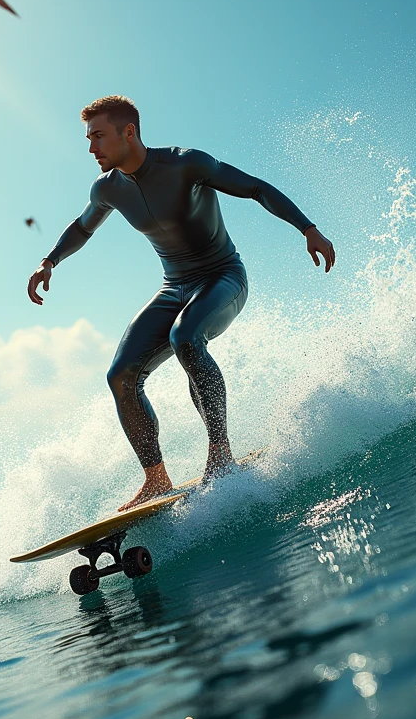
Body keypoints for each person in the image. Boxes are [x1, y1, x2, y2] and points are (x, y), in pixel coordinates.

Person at [28, 96, 335, 510]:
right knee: (120, 375)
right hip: (175, 287)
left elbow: (256, 188)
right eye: (89, 139)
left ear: (128, 132)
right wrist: (49, 262)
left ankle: (221, 455)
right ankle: (156, 479)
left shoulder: (185, 164)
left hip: (223, 277)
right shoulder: (108, 188)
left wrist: (308, 228)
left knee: (185, 338)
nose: (91, 148)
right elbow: (82, 228)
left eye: (98, 136)